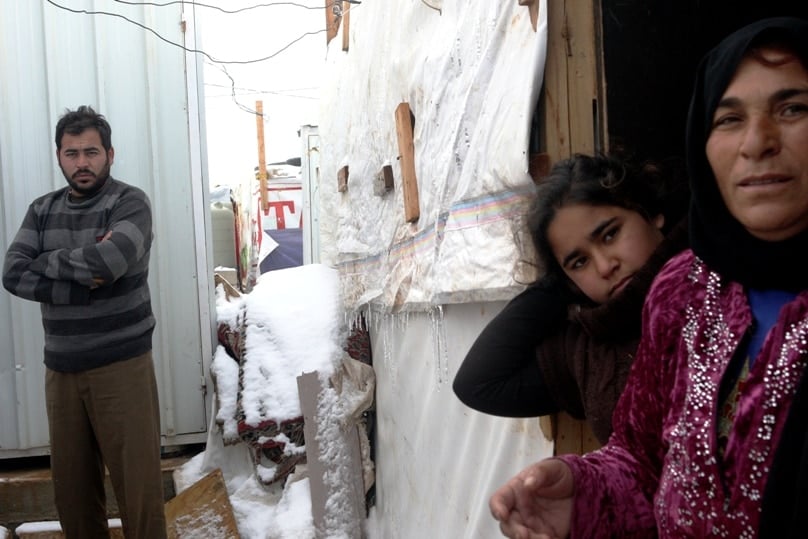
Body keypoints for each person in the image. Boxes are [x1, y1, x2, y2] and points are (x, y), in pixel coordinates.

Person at [489, 16, 808, 538]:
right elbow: (642, 461)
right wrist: (582, 490)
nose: (757, 142)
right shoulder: (684, 292)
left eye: (792, 108)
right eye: (727, 120)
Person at [2, 106, 167, 538]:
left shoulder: (129, 202)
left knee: (139, 491)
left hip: (122, 367)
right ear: (59, 156)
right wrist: (82, 281)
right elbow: (13, 273)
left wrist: (48, 262)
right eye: (71, 153)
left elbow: (110, 262)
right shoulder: (41, 210)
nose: (81, 163)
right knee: (73, 495)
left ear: (110, 154)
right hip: (61, 369)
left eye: (91, 152)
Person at [453, 153, 689, 444]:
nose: (605, 266)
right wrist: (561, 281)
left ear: (650, 212)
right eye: (579, 262)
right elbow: (477, 383)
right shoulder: (585, 349)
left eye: (610, 234)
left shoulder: (721, 277)